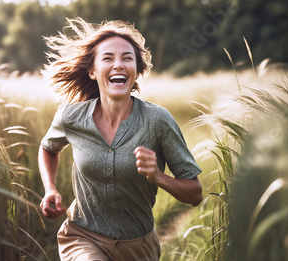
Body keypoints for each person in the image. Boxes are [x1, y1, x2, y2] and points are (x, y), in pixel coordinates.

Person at [38, 18, 202, 261]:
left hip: (139, 246)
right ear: (92, 71)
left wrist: (158, 176)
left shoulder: (158, 121)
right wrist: (50, 188)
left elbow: (195, 193)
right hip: (83, 237)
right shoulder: (71, 116)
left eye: (127, 58)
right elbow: (48, 148)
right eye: (107, 58)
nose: (118, 65)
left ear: (136, 71)